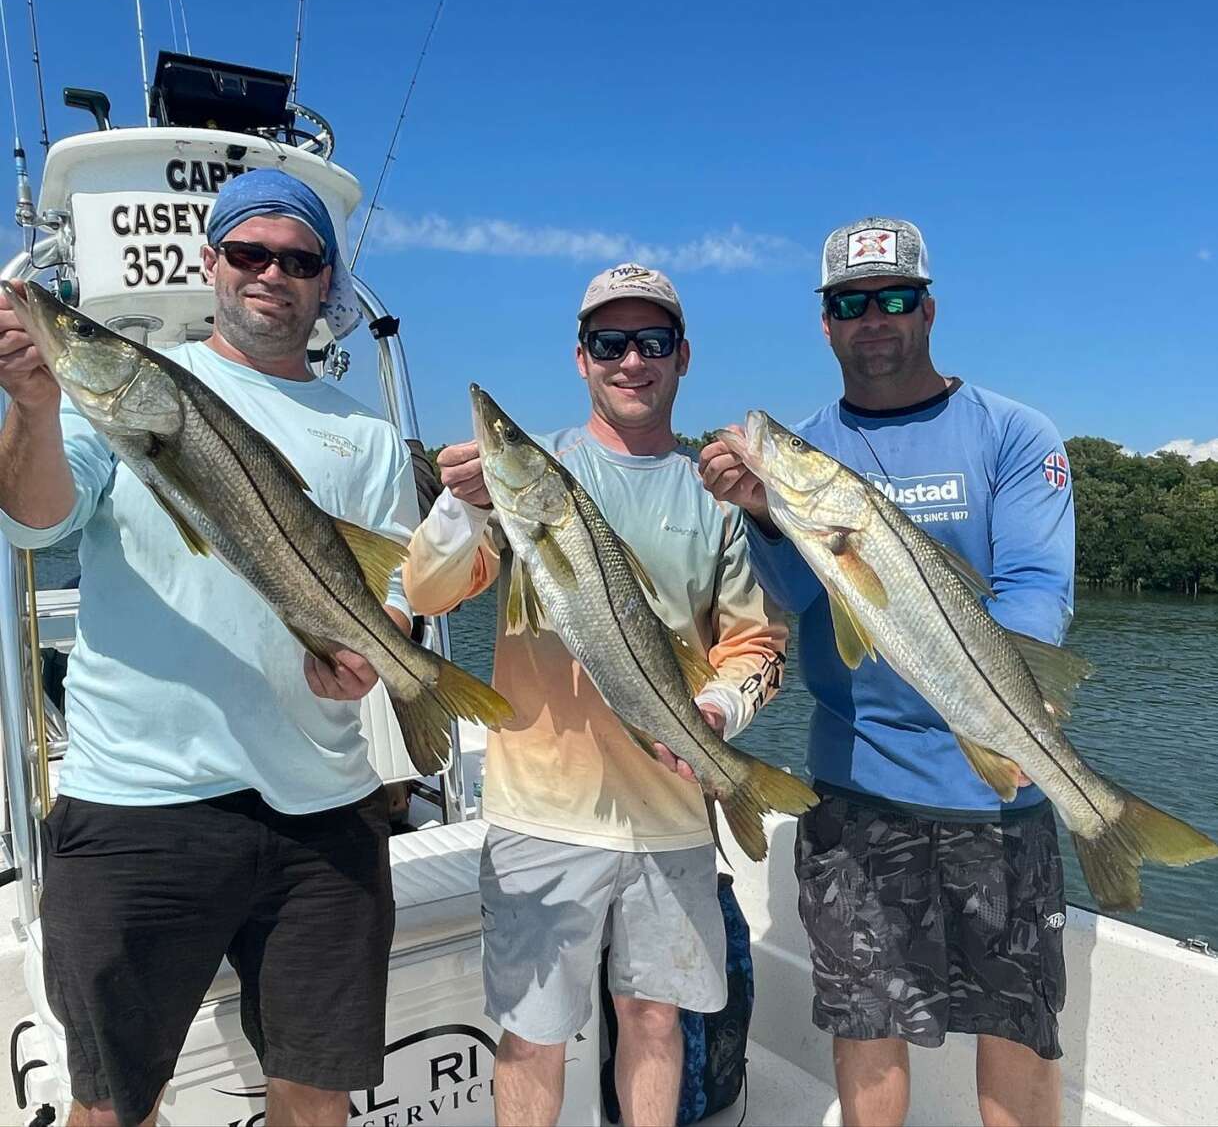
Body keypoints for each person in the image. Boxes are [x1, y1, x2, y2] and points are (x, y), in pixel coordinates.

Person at [0, 169, 436, 1127]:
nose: (270, 273)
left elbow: (395, 591)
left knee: (318, 1091)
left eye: (297, 258)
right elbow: (33, 526)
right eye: (248, 252)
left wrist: (379, 656)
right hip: (138, 805)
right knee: (111, 1103)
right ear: (211, 264)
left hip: (321, 810)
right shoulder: (118, 395)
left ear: (327, 284)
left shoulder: (365, 434)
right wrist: (32, 407)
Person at [700, 217, 1075, 1127]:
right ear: (824, 322)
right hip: (858, 792)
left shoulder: (1014, 433)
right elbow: (792, 596)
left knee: (1018, 1033)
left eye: (895, 297)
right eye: (851, 303)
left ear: (929, 308)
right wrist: (767, 509)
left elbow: (1037, 594)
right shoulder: (811, 454)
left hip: (1003, 790)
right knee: (867, 1032)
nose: (875, 318)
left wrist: (993, 711)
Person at [404, 262, 787, 1127]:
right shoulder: (527, 479)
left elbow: (757, 642)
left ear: (681, 357)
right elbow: (427, 595)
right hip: (543, 811)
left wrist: (718, 715)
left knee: (656, 1023)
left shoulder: (717, 497)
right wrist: (462, 512)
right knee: (533, 1039)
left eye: (650, 341)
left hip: (675, 813)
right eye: (610, 342)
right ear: (581, 358)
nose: (631, 360)